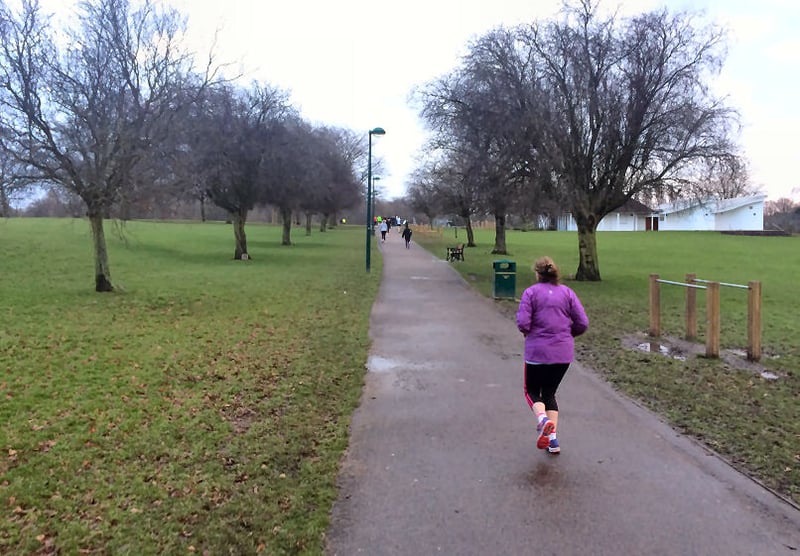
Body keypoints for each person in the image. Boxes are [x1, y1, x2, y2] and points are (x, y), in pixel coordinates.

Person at [516, 256, 589, 454]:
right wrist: (567, 335)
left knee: (531, 391)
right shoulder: (567, 293)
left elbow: (523, 322)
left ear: (537, 274)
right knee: (549, 393)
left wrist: (528, 331)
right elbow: (582, 322)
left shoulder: (530, 292)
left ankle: (543, 420)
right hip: (562, 353)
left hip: (537, 352)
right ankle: (553, 440)